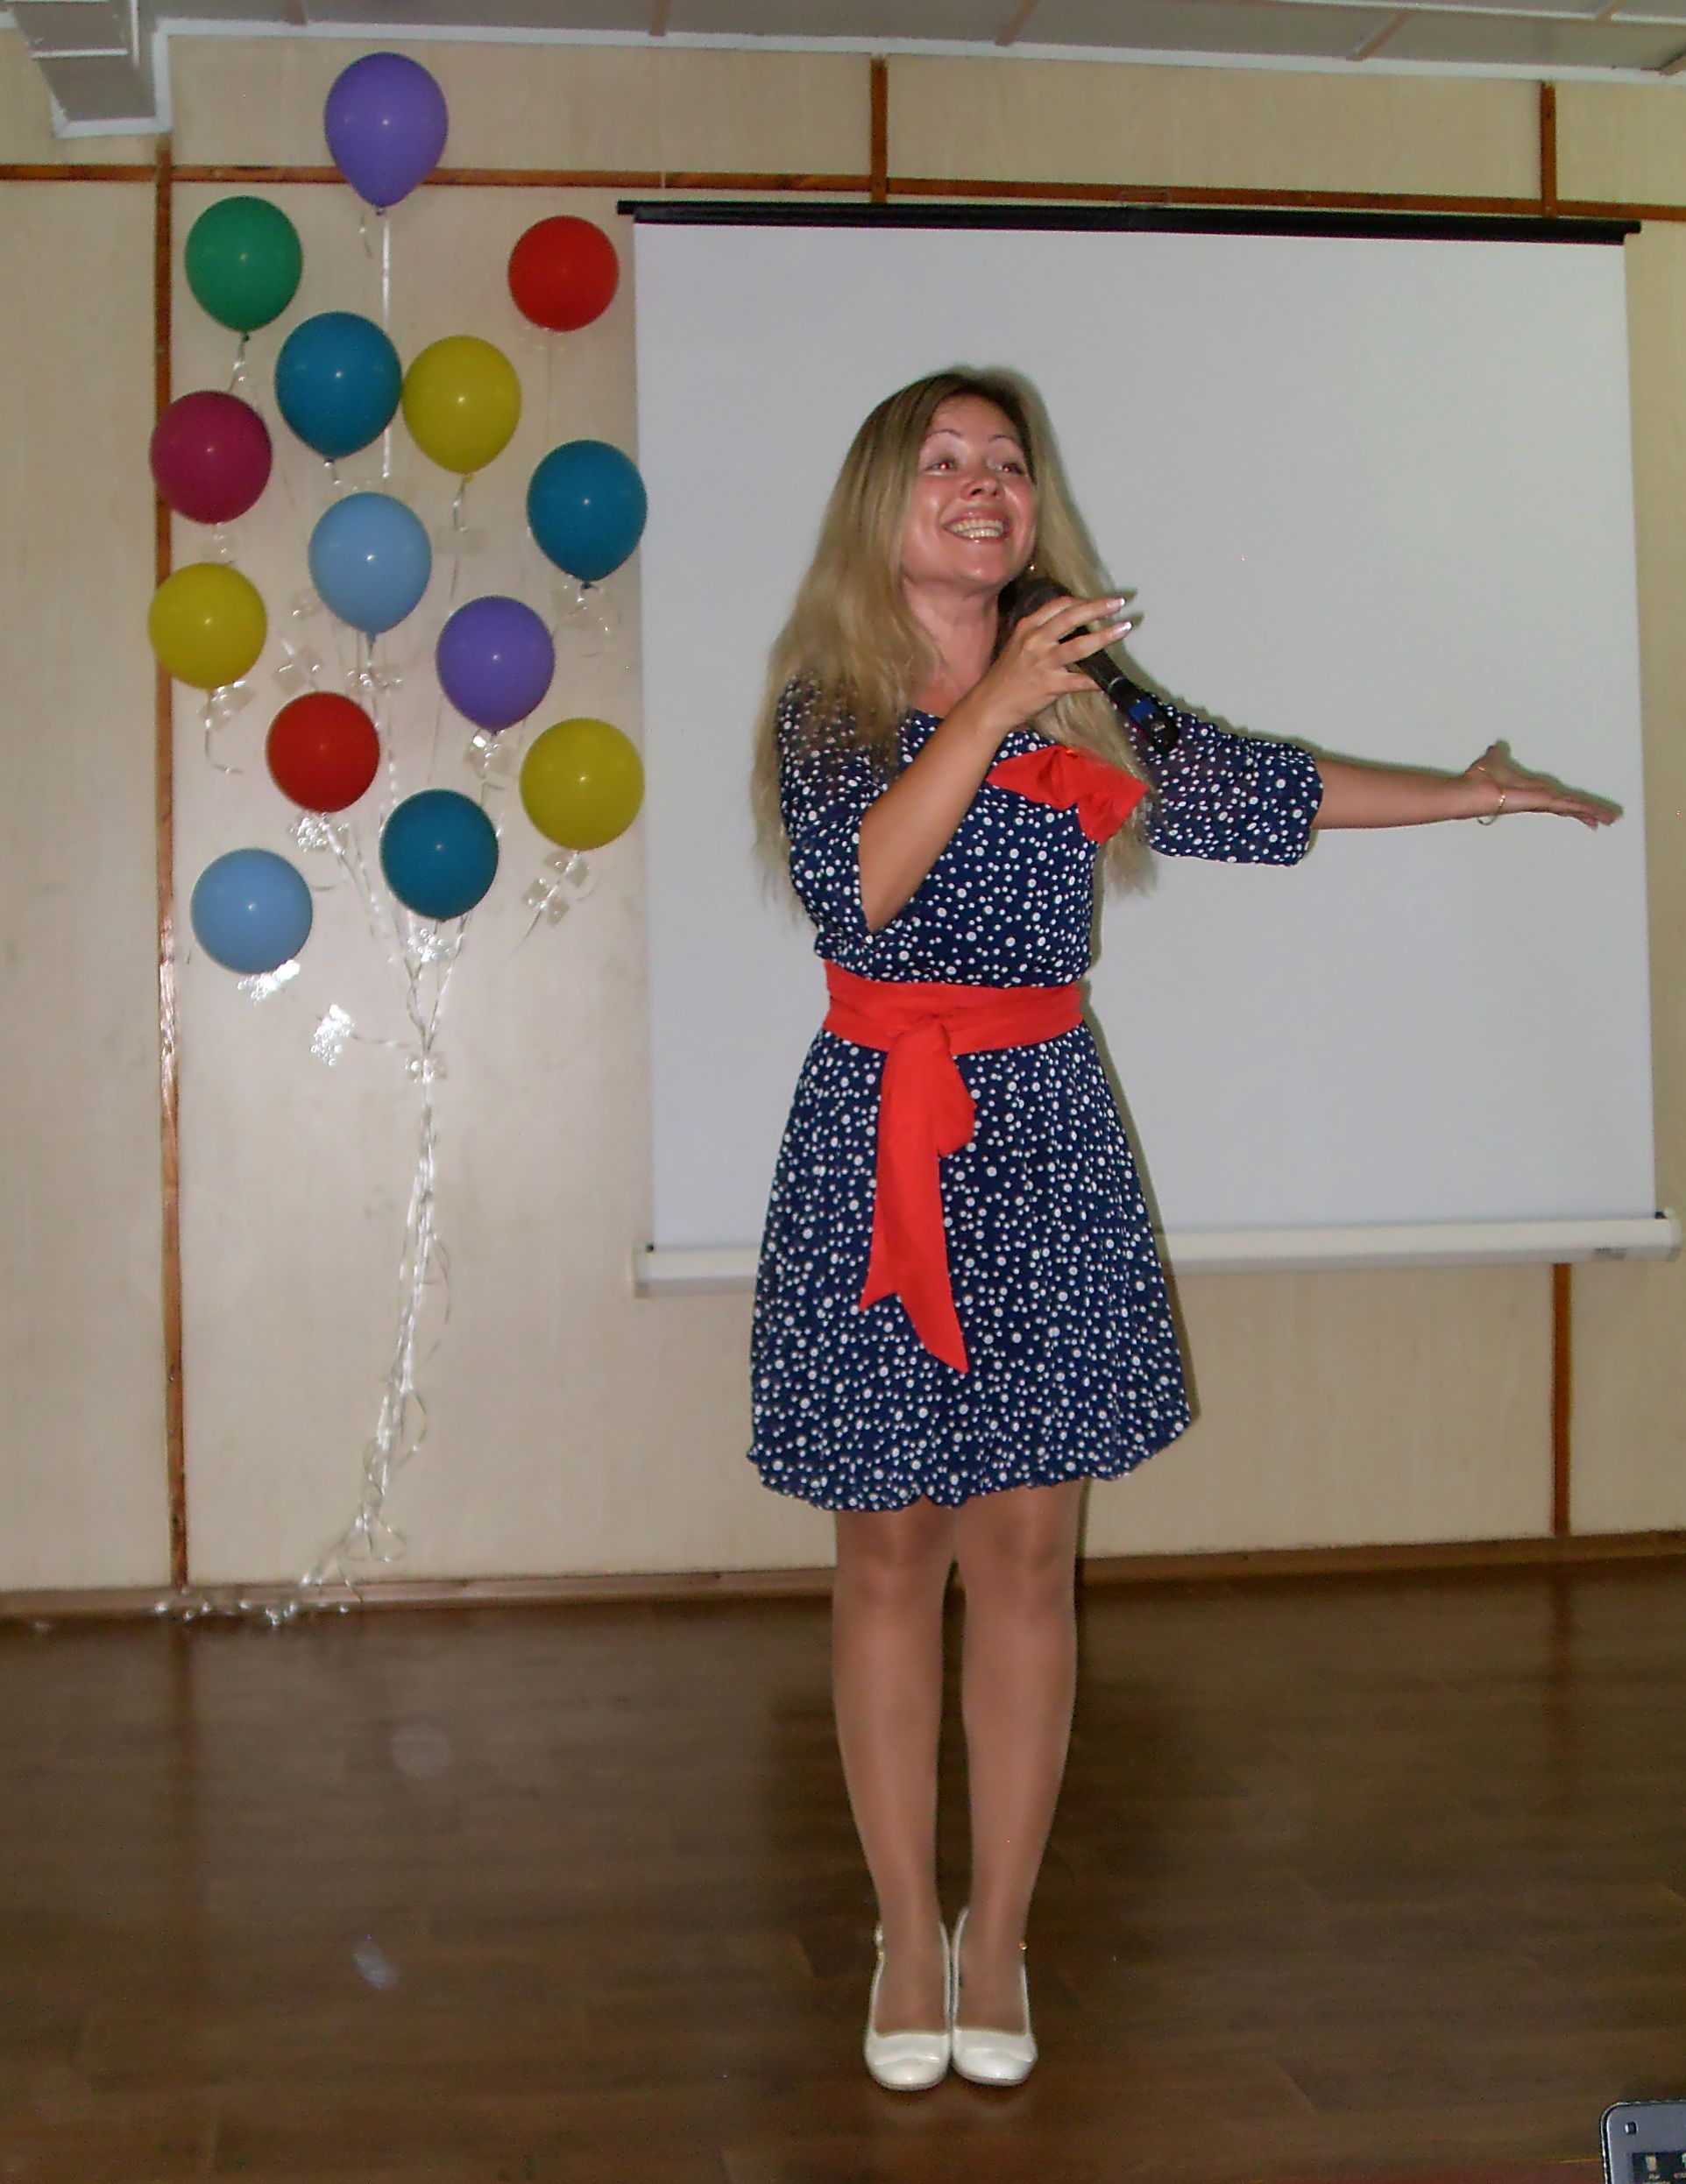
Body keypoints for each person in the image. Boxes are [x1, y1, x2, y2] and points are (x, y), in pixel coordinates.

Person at [746, 367, 1615, 2093]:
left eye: (1008, 461)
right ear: (881, 502)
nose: (984, 483)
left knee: (1024, 1554)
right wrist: (997, 704)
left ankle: (998, 1931)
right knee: (886, 1551)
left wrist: (1463, 792)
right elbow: (861, 887)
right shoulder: (828, 697)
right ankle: (904, 1930)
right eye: (946, 459)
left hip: (1044, 1133)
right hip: (881, 1139)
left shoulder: (1079, 688)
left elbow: (1245, 791)